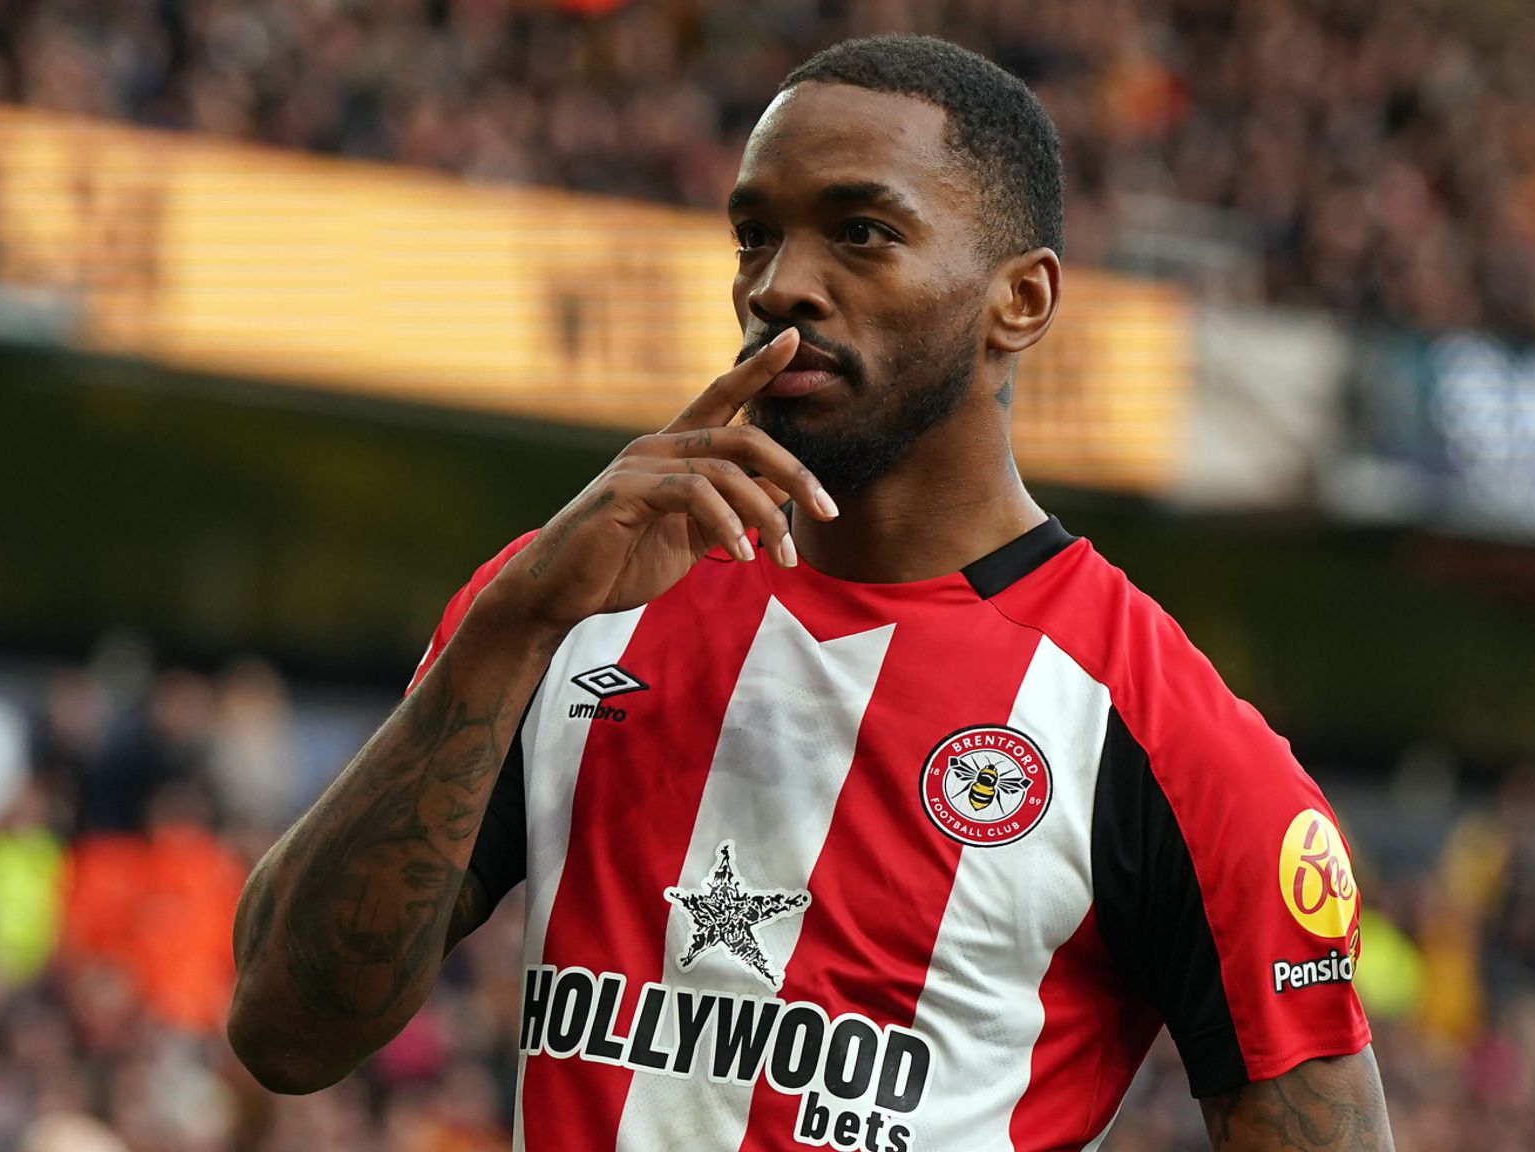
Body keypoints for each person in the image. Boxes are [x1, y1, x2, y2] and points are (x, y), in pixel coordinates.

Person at [228, 35, 1393, 1151]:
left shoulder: (1166, 742)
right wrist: (512, 626)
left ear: (1020, 302)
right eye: (753, 237)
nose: (780, 287)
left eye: (861, 233)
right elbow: (284, 1030)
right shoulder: (567, 603)